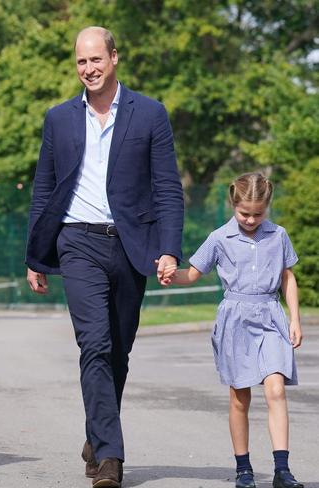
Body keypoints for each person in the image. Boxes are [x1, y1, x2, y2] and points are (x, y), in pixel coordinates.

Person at [25, 26, 184, 487]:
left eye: (96, 60)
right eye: (81, 62)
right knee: (93, 344)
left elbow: (168, 188)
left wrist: (169, 249)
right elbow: (44, 189)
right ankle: (110, 458)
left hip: (132, 245)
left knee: (119, 350)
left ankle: (97, 435)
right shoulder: (59, 119)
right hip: (77, 242)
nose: (88, 69)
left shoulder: (150, 114)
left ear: (114, 57)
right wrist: (36, 254)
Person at [161, 173, 304, 488]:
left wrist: (294, 318)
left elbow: (287, 278)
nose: (251, 219)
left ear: (267, 208)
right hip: (235, 319)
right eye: (245, 213)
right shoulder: (218, 238)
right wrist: (172, 274)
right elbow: (194, 274)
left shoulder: (278, 235)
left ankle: (282, 470)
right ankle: (244, 469)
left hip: (270, 316)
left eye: (258, 213)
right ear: (233, 204)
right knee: (240, 397)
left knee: (276, 390)